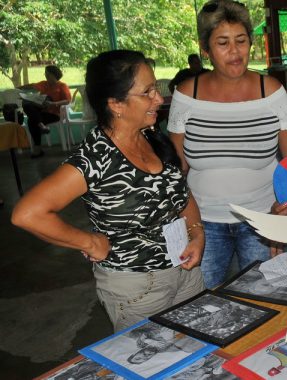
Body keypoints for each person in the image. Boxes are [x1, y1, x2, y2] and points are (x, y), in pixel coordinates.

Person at [11, 50, 205, 332]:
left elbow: (181, 194)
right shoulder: (95, 158)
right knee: (152, 368)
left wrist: (197, 232)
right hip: (139, 287)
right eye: (147, 92)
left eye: (156, 89)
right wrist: (89, 243)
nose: (159, 99)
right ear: (116, 104)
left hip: (186, 272)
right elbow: (27, 213)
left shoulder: (151, 136)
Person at [168, 0, 287, 289]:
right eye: (223, 43)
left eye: (241, 41)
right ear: (206, 49)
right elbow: (176, 167)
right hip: (202, 223)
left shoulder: (272, 92)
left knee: (268, 300)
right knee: (201, 305)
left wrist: (283, 221)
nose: (235, 51)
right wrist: (180, 222)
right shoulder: (186, 94)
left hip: (262, 220)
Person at [18, 65, 72, 158]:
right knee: (26, 102)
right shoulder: (44, 84)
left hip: (54, 114)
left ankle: (38, 150)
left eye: (48, 74)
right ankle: (41, 125)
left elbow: (67, 100)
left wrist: (53, 103)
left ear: (54, 75)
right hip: (41, 111)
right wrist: (18, 88)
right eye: (45, 74)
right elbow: (32, 85)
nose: (46, 76)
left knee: (31, 121)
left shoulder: (62, 86)